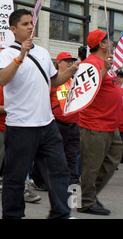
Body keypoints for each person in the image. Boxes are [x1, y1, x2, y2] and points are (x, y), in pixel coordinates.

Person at [0, 9, 78, 219]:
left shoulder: (41, 51)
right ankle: (13, 216)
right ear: (13, 29)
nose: (31, 26)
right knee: (15, 176)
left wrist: (71, 70)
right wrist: (21, 55)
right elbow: (2, 79)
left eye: (31, 23)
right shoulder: (7, 53)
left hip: (47, 125)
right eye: (25, 24)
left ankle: (61, 214)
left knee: (59, 173)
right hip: (21, 126)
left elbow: (53, 81)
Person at [77, 29, 123, 216]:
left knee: (113, 160)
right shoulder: (89, 64)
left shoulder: (106, 63)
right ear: (102, 44)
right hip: (94, 125)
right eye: (108, 40)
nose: (111, 42)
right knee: (92, 165)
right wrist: (104, 68)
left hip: (111, 125)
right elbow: (89, 90)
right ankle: (86, 202)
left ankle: (90, 194)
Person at [49, 52, 80, 186]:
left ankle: (73, 180)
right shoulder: (53, 80)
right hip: (57, 123)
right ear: (58, 62)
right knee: (54, 155)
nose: (70, 63)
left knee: (71, 156)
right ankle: (47, 180)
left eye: (71, 61)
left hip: (73, 124)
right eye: (66, 60)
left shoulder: (74, 80)